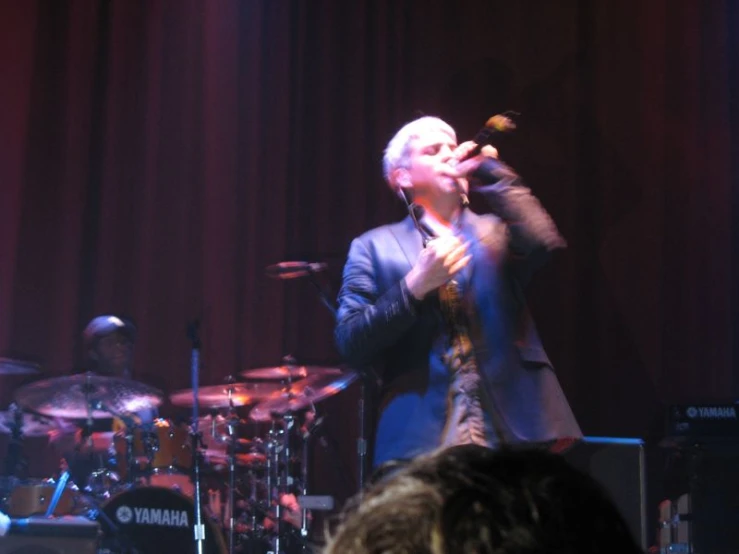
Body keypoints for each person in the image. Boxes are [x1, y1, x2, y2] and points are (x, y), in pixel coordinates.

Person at [334, 115, 581, 472]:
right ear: (402, 177)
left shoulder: (496, 232)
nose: (449, 155)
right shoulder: (374, 246)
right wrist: (413, 287)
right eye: (434, 151)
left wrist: (489, 168)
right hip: (420, 442)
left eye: (453, 148)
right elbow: (350, 343)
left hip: (511, 434)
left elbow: (543, 241)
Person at [323, 444, 644, 554]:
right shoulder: (369, 284)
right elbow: (355, 338)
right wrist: (413, 288)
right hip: (426, 427)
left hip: (508, 421)